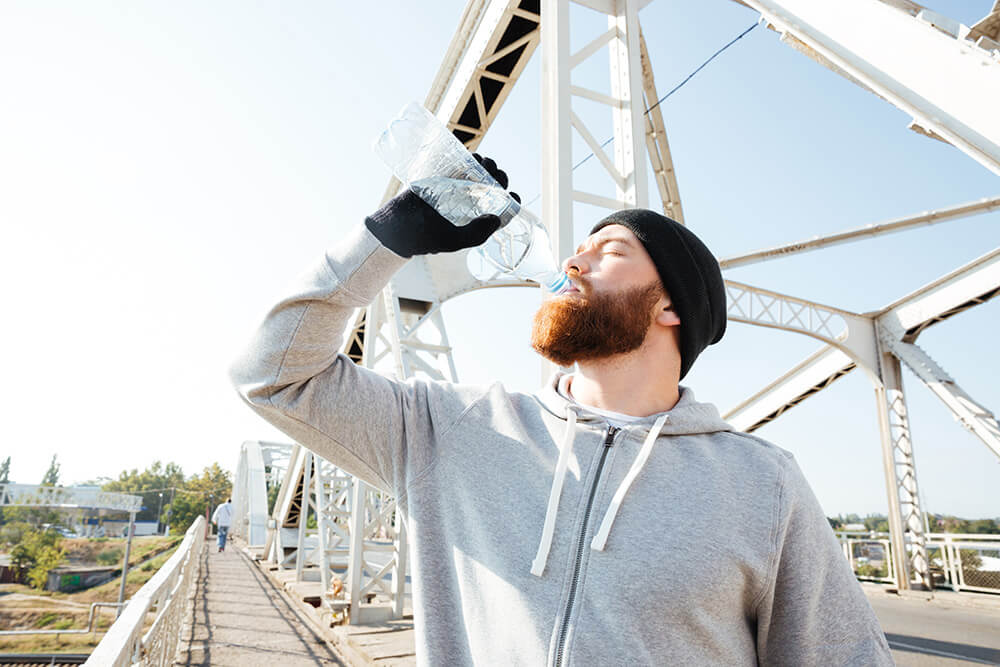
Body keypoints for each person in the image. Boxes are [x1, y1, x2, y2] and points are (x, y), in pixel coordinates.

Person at [230, 156, 893, 665]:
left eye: (609, 252)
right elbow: (271, 375)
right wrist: (386, 238)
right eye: (579, 248)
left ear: (669, 308)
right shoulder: (450, 433)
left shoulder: (762, 484)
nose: (573, 262)